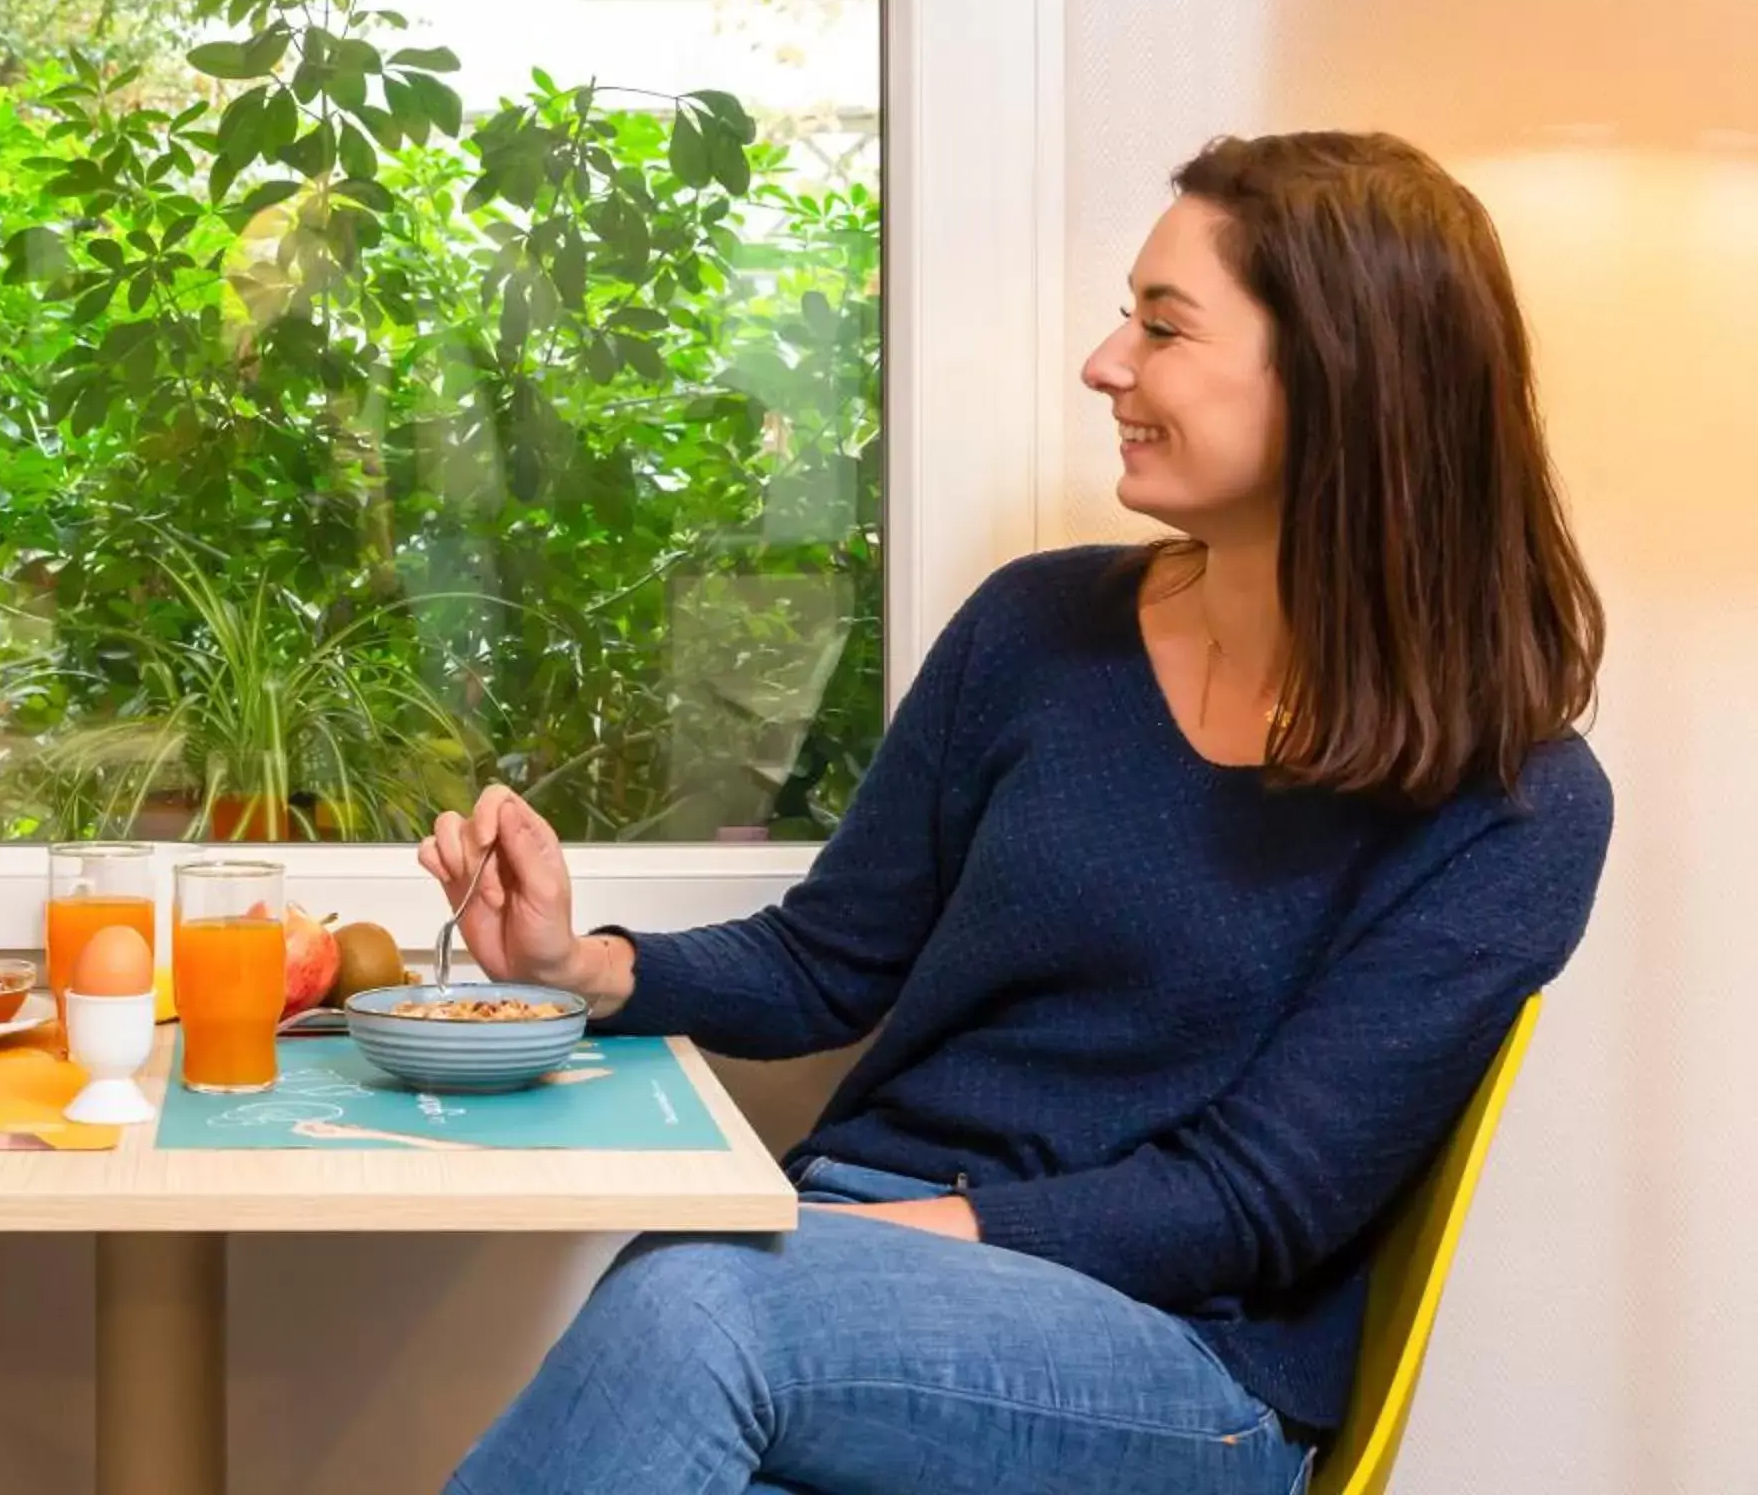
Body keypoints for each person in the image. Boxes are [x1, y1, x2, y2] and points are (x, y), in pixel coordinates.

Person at [424, 130, 1610, 1495]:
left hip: (1182, 1362)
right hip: (867, 1256)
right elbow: (832, 959)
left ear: (1343, 383)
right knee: (697, 1349)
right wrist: (577, 970)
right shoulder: (1039, 631)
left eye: (1164, 328)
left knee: (697, 1300)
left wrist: (868, 1234)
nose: (1108, 363)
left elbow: (1249, 1204)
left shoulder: (1512, 806)